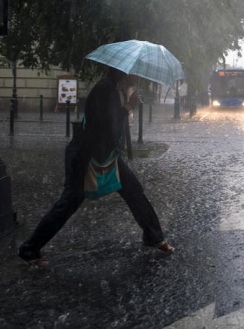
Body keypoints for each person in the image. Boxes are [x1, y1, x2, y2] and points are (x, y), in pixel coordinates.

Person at [19, 68, 174, 265]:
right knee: (67, 204)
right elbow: (104, 124)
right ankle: (29, 249)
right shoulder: (105, 89)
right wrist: (127, 107)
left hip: (106, 154)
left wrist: (128, 108)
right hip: (85, 154)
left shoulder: (119, 89)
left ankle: (153, 236)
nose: (139, 76)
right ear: (124, 72)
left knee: (134, 190)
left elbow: (115, 127)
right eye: (136, 72)